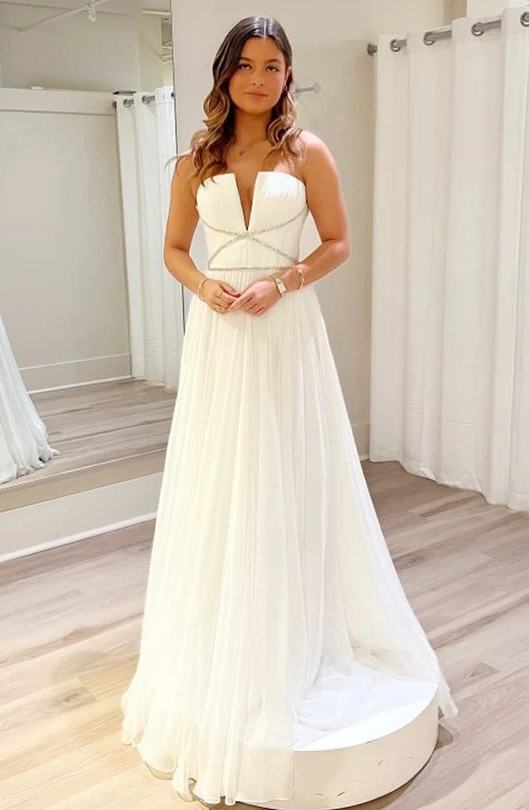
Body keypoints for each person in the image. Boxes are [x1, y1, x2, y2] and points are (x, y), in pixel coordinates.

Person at [120, 15, 458, 808]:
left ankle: (297, 635)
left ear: (288, 76)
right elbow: (174, 249)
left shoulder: (308, 153)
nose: (259, 78)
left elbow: (338, 241)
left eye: (273, 65)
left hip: (285, 326)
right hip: (219, 333)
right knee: (223, 475)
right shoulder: (195, 160)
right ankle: (228, 633)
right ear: (225, 74)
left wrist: (283, 282)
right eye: (246, 64)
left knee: (290, 468)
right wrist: (205, 287)